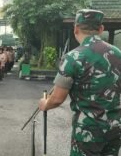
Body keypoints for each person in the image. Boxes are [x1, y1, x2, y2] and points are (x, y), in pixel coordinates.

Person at [38, 9, 121, 156]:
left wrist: (45, 104)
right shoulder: (118, 54)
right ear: (101, 29)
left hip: (87, 132)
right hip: (115, 129)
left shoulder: (73, 57)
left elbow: (57, 98)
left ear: (76, 28)